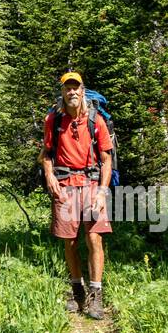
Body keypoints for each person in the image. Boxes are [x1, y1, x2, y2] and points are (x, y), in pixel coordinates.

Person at [41, 70, 113, 319]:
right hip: (64, 184)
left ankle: (96, 294)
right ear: (62, 92)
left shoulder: (96, 121)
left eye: (76, 87)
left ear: (83, 91)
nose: (72, 91)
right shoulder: (54, 120)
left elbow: (106, 159)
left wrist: (103, 192)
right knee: (69, 240)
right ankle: (76, 289)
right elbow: (47, 153)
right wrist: (49, 176)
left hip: (92, 183)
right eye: (67, 88)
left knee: (94, 238)